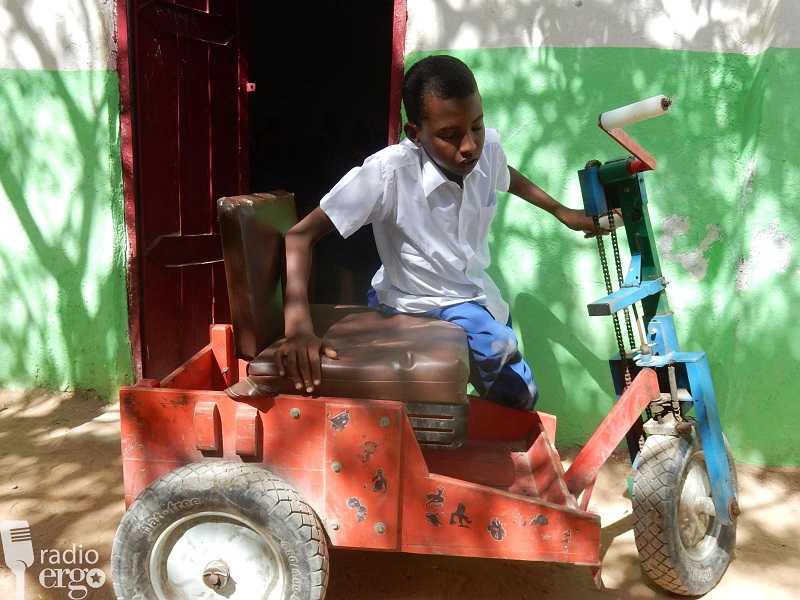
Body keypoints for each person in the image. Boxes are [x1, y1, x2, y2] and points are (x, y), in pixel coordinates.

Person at [274, 54, 607, 411]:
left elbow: (505, 174)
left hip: (476, 295)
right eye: (450, 135)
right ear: (414, 134)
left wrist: (564, 213)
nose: (469, 146)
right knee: (519, 393)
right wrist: (298, 328)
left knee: (502, 362)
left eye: (476, 126)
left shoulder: (485, 151)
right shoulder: (388, 174)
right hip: (411, 301)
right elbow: (299, 236)